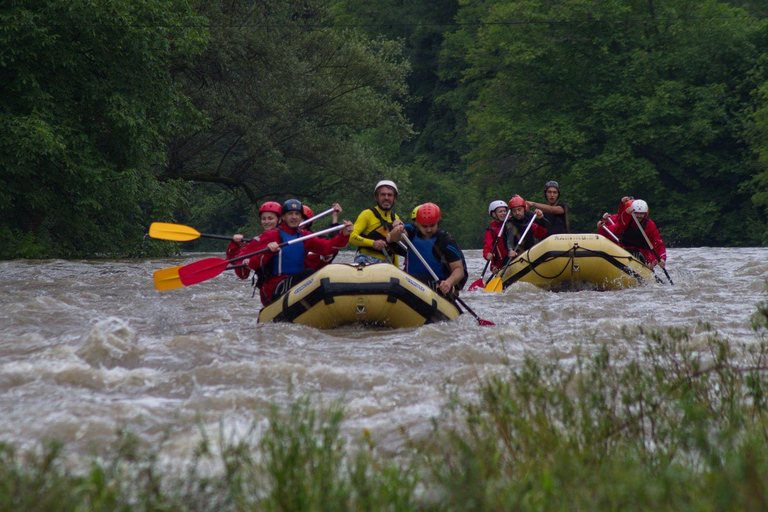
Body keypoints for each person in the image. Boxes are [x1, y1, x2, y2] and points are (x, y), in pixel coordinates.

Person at [234, 199, 353, 305]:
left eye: (297, 214)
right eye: (290, 214)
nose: (294, 217)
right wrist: (268, 252)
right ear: (283, 218)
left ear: (301, 217)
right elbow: (242, 262)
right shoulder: (271, 235)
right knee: (309, 273)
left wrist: (344, 235)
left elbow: (327, 248)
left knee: (318, 274)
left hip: (297, 285)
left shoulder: (304, 236)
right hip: (276, 288)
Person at [391, 203, 467, 296]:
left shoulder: (446, 241)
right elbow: (394, 238)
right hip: (412, 284)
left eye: (432, 225)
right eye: (425, 226)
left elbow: (458, 270)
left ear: (438, 222)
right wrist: (397, 229)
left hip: (436, 288)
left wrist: (448, 282)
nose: (429, 230)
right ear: (418, 223)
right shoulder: (411, 231)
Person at [602, 199, 667, 268]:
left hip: (641, 252)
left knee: (639, 255)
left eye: (641, 213)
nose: (639, 216)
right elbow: (619, 224)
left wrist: (661, 258)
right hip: (623, 248)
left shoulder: (649, 225)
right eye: (637, 213)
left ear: (645, 213)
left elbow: (658, 243)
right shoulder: (626, 219)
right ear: (632, 212)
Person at [349, 180, 402, 265]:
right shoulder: (367, 214)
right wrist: (373, 243)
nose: (386, 198)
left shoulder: (395, 218)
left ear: (394, 198)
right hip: (366, 260)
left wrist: (397, 269)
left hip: (387, 263)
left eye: (390, 195)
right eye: (383, 195)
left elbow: (394, 250)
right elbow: (351, 236)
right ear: (377, 197)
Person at [504, 196, 550, 261]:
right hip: (518, 253)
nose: (517, 213)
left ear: (524, 209)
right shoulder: (510, 223)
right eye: (514, 211)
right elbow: (509, 240)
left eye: (519, 210)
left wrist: (541, 218)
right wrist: (510, 250)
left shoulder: (530, 215)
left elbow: (547, 225)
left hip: (532, 250)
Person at [304, 203, 343, 271]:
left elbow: (332, 244)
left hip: (311, 273)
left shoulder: (314, 237)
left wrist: (335, 216)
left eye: (302, 219)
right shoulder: (284, 234)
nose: (296, 219)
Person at [483, 200, 509, 274]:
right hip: (500, 264)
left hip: (515, 257)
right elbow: (487, 246)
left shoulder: (512, 222)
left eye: (504, 211)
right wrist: (487, 254)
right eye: (500, 212)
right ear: (494, 214)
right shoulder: (491, 229)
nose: (503, 213)